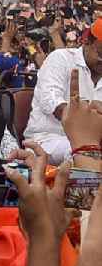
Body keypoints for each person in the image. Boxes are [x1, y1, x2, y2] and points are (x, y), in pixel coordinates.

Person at [23, 17, 102, 164]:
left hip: (93, 143)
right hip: (48, 139)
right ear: (86, 43)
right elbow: (50, 100)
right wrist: (78, 119)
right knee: (86, 154)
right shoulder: (61, 59)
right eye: (101, 54)